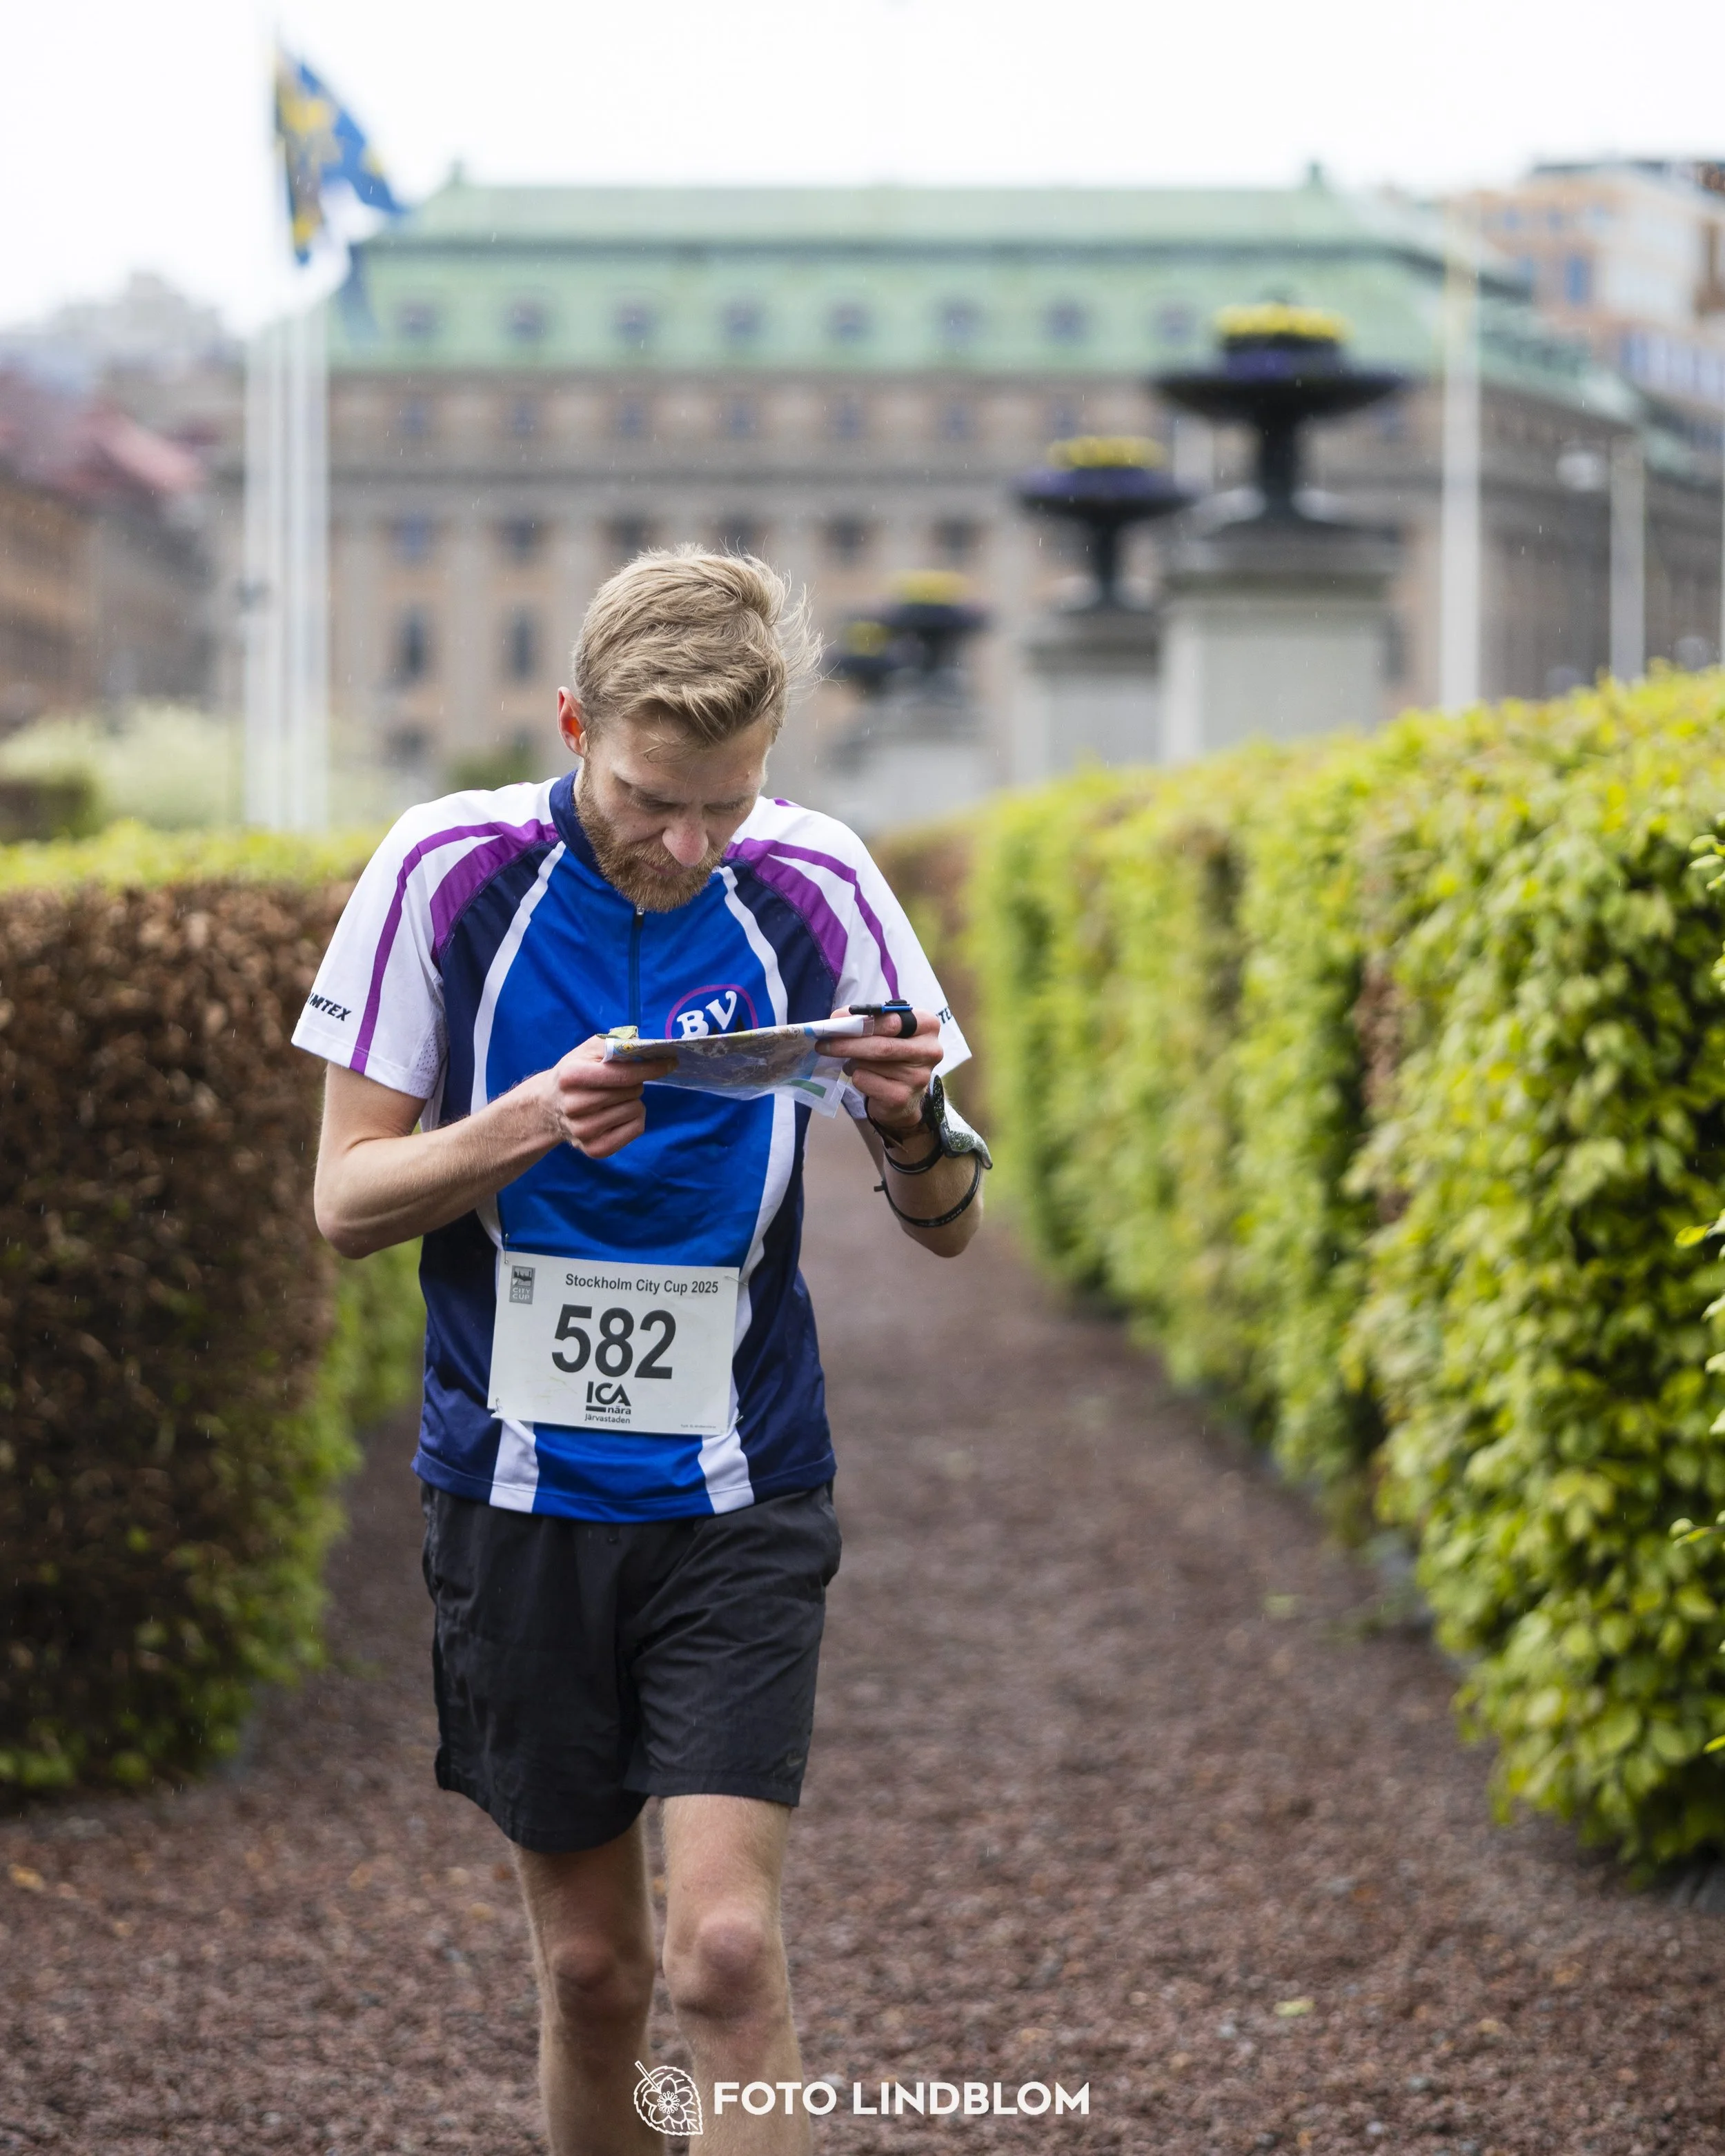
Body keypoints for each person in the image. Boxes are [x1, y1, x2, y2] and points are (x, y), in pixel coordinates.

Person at [294, 548, 989, 2154]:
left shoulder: (816, 883)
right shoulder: (445, 868)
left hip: (741, 1482)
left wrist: (909, 1120)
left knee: (723, 1954)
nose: (687, 845)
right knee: (599, 1969)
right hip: (513, 1489)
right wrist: (529, 1120)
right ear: (571, 724)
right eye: (651, 798)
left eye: (725, 807)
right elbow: (343, 1202)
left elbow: (947, 1215)